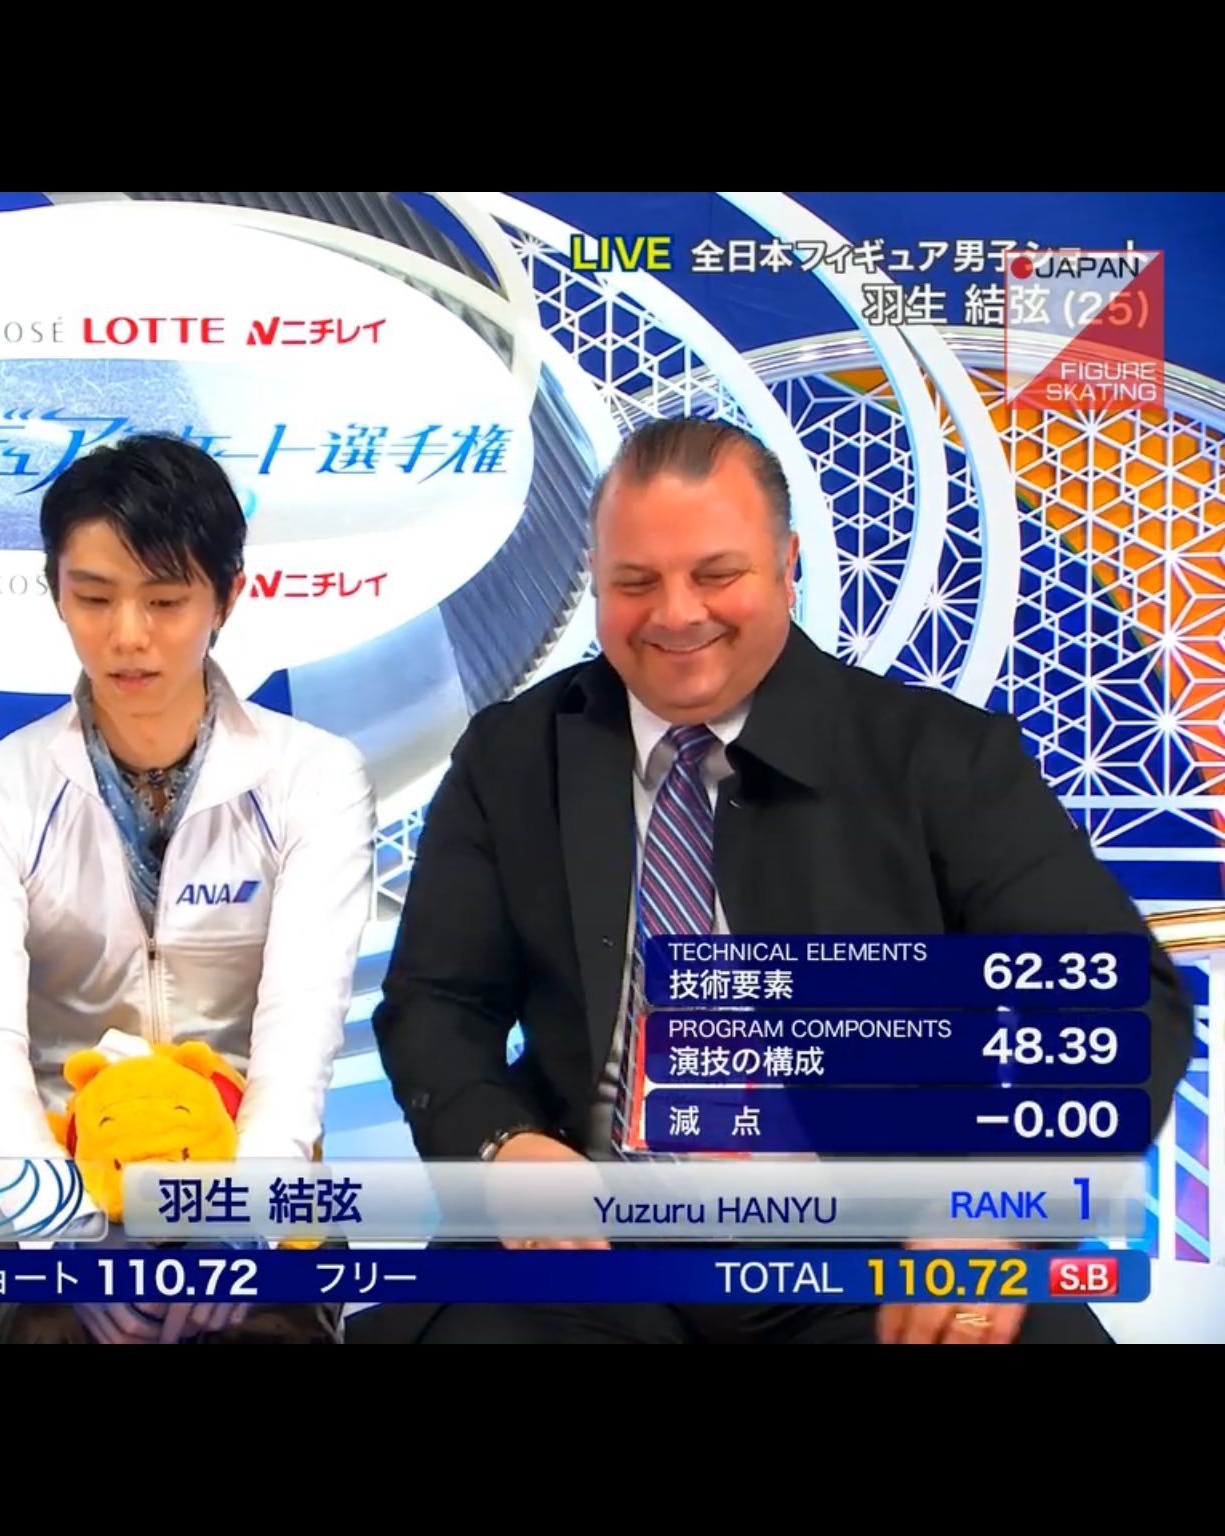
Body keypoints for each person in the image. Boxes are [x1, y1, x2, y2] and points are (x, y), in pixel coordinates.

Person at [365, 415, 1196, 1346]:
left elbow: (1116, 1002)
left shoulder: (939, 756)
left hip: (876, 1249)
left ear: (788, 562)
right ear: (594, 580)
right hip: (591, 1248)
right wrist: (498, 1146)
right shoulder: (513, 754)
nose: (677, 614)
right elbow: (437, 1002)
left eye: (717, 575)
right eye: (635, 583)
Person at [0, 433, 377, 1344]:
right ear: (56, 593)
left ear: (229, 596)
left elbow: (300, 1031)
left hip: (249, 1165)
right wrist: (65, 1237)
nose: (128, 636)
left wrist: (235, 1230)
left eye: (166, 601)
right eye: (94, 598)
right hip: (62, 1168)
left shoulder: (316, 779)